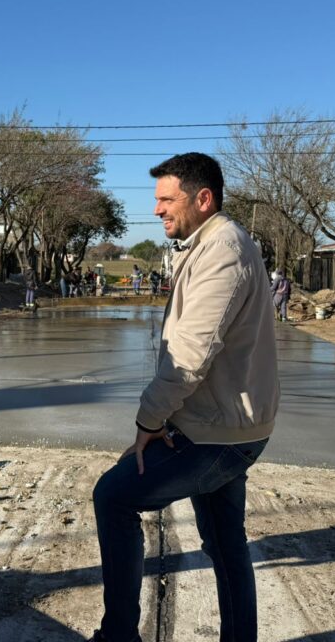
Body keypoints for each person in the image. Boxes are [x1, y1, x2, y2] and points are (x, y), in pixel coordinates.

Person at [90, 152, 278, 642]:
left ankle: (118, 636)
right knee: (225, 542)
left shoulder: (223, 252)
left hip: (217, 432)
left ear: (203, 199)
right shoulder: (208, 246)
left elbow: (190, 356)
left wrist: (149, 422)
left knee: (113, 497)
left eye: (166, 199)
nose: (157, 209)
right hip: (226, 422)